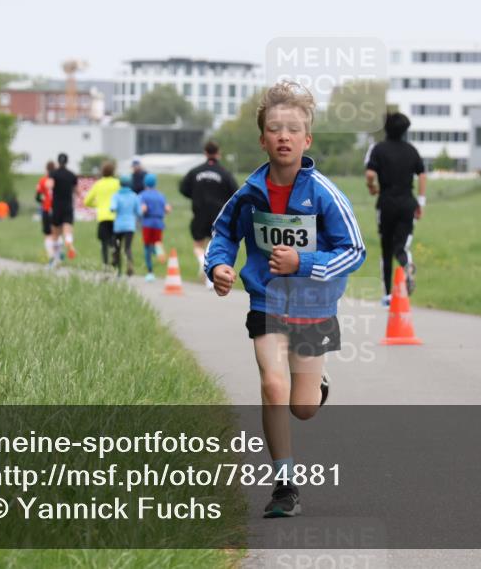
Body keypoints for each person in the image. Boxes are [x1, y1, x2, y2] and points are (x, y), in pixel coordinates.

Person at [204, 81, 365, 518]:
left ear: (306, 139)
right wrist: (217, 267)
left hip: (315, 308)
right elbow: (222, 234)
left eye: (293, 129)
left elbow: (354, 251)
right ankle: (284, 485)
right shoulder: (249, 194)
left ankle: (318, 385)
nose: (283, 135)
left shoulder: (325, 194)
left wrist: (304, 263)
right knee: (273, 386)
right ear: (262, 139)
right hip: (267, 304)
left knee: (304, 407)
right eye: (274, 128)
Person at [364, 112, 427, 305]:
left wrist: (372, 188)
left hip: (386, 203)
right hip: (408, 202)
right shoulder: (411, 150)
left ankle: (387, 294)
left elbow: (369, 175)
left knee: (386, 247)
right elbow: (422, 174)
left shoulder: (378, 149)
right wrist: (421, 201)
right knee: (401, 245)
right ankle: (406, 263)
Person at [180, 140, 239, 289]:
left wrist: (195, 195)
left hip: (199, 213)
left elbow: (183, 188)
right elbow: (235, 193)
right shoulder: (225, 173)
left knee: (198, 244)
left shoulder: (195, 171)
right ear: (218, 153)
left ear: (205, 153)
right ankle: (209, 277)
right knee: (214, 246)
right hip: (218, 215)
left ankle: (201, 261)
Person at [84, 160, 120, 269]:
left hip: (103, 217)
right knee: (115, 239)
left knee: (103, 242)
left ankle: (105, 264)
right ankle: (115, 253)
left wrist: (98, 204)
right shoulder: (117, 183)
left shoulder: (98, 184)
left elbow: (86, 201)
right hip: (115, 217)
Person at [109, 174, 143, 276]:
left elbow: (112, 208)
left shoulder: (116, 195)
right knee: (127, 248)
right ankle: (130, 264)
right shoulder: (134, 196)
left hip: (118, 226)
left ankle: (119, 271)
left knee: (117, 248)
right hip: (130, 225)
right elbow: (139, 212)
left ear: (120, 184)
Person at [139, 173, 170, 282]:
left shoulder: (143, 195)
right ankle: (161, 255)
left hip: (147, 223)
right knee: (157, 243)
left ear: (145, 183)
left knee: (147, 247)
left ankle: (150, 271)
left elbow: (143, 209)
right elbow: (168, 209)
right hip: (159, 223)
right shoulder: (161, 195)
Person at [50, 152, 79, 261]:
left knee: (55, 234)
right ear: (67, 161)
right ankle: (69, 244)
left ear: (58, 161)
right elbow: (77, 191)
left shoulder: (54, 173)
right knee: (67, 231)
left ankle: (56, 257)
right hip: (68, 206)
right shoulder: (72, 175)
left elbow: (50, 185)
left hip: (57, 206)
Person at [36, 161, 58, 264]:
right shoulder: (58, 180)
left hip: (46, 209)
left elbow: (37, 197)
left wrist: (43, 201)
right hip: (57, 209)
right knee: (57, 233)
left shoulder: (42, 181)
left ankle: (51, 257)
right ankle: (58, 256)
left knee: (47, 234)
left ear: (46, 169)